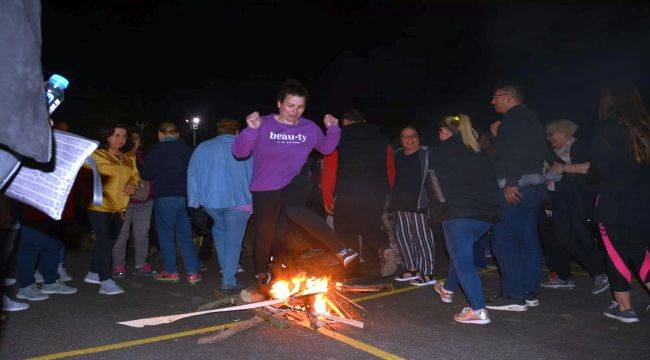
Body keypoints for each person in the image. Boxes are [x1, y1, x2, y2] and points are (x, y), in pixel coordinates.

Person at [232, 80, 357, 302]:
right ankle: (262, 273)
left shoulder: (308, 128)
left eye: (300, 107)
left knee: (295, 207)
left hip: (294, 182)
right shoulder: (264, 124)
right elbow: (239, 152)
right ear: (279, 103)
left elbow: (327, 148)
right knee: (267, 233)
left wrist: (334, 129)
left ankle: (341, 250)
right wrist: (251, 130)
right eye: (290, 106)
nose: (295, 112)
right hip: (266, 187)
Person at [430, 114, 500, 324]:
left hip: (458, 213)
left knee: (462, 261)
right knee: (461, 254)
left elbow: (434, 185)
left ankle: (478, 310)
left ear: (445, 132)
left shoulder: (442, 151)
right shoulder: (479, 152)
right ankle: (448, 289)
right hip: (485, 215)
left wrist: (438, 212)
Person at [589, 81, 650, 323]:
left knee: (616, 253)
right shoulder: (645, 128)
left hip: (614, 200)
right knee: (642, 252)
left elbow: (597, 168)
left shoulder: (607, 128)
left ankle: (625, 309)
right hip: (643, 201)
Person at [487, 82, 547, 312]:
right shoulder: (531, 118)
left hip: (517, 186)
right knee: (527, 237)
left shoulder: (513, 118)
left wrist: (511, 182)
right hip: (533, 185)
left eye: (495, 97)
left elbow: (514, 151)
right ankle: (529, 291)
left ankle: (513, 294)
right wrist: (498, 135)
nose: (493, 102)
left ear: (509, 97)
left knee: (503, 238)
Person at [321, 109, 397, 278]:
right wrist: (385, 190)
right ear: (363, 121)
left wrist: (327, 196)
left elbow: (329, 169)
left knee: (346, 231)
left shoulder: (339, 137)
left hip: (348, 191)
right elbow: (390, 167)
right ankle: (383, 250)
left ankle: (351, 271)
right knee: (370, 226)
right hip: (376, 192)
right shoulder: (381, 138)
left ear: (345, 123)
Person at [541, 119, 609, 294]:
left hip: (580, 202)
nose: (549, 138)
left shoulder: (581, 147)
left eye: (552, 134)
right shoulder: (554, 153)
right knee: (561, 238)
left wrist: (564, 168)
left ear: (564, 133)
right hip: (561, 203)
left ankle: (601, 274)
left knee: (581, 237)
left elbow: (592, 168)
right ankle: (563, 276)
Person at [187, 118, 253, 294]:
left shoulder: (203, 147)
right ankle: (228, 280)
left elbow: (193, 174)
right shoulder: (246, 147)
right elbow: (256, 174)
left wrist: (194, 200)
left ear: (217, 132)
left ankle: (227, 273)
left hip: (213, 201)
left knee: (220, 233)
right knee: (234, 241)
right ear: (237, 132)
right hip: (240, 200)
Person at [84, 123, 140, 295]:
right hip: (99, 206)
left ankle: (93, 272)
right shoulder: (94, 155)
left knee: (110, 241)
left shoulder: (129, 158)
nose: (121, 139)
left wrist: (132, 183)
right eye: (116, 135)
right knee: (105, 241)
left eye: (124, 136)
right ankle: (105, 280)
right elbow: (81, 177)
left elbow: (135, 176)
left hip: (120, 207)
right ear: (106, 136)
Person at [142, 122, 201, 285]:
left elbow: (146, 174)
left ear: (161, 134)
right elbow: (195, 169)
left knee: (166, 235)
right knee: (184, 235)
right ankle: (192, 273)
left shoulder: (156, 150)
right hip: (183, 197)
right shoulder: (185, 149)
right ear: (177, 134)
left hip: (164, 197)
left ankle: (171, 271)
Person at [387, 126, 436, 286]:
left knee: (423, 238)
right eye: (405, 137)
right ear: (400, 140)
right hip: (399, 203)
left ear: (419, 137)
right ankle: (412, 268)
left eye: (413, 136)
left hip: (419, 203)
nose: (410, 139)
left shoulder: (427, 153)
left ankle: (428, 272)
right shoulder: (396, 155)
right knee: (402, 238)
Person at [112, 129, 156, 278]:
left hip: (144, 200)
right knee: (121, 234)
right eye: (131, 138)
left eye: (137, 139)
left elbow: (146, 174)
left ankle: (140, 265)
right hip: (124, 200)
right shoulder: (120, 156)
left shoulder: (143, 156)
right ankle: (118, 266)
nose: (133, 141)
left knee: (142, 234)